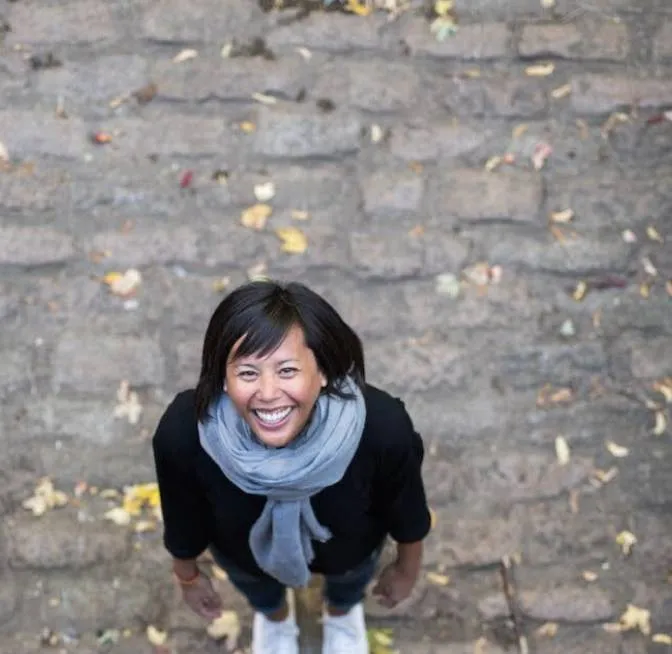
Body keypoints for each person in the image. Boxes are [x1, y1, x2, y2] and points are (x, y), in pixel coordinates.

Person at [152, 279, 432, 654]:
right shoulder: (186, 433)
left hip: (350, 552)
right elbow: (182, 516)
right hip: (244, 557)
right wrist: (187, 577)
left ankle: (342, 612)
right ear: (223, 379)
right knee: (260, 591)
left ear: (324, 372)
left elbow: (407, 509)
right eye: (248, 373)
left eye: (287, 371)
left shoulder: (381, 428)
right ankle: (275, 619)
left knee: (349, 582)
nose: (267, 394)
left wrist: (405, 569)